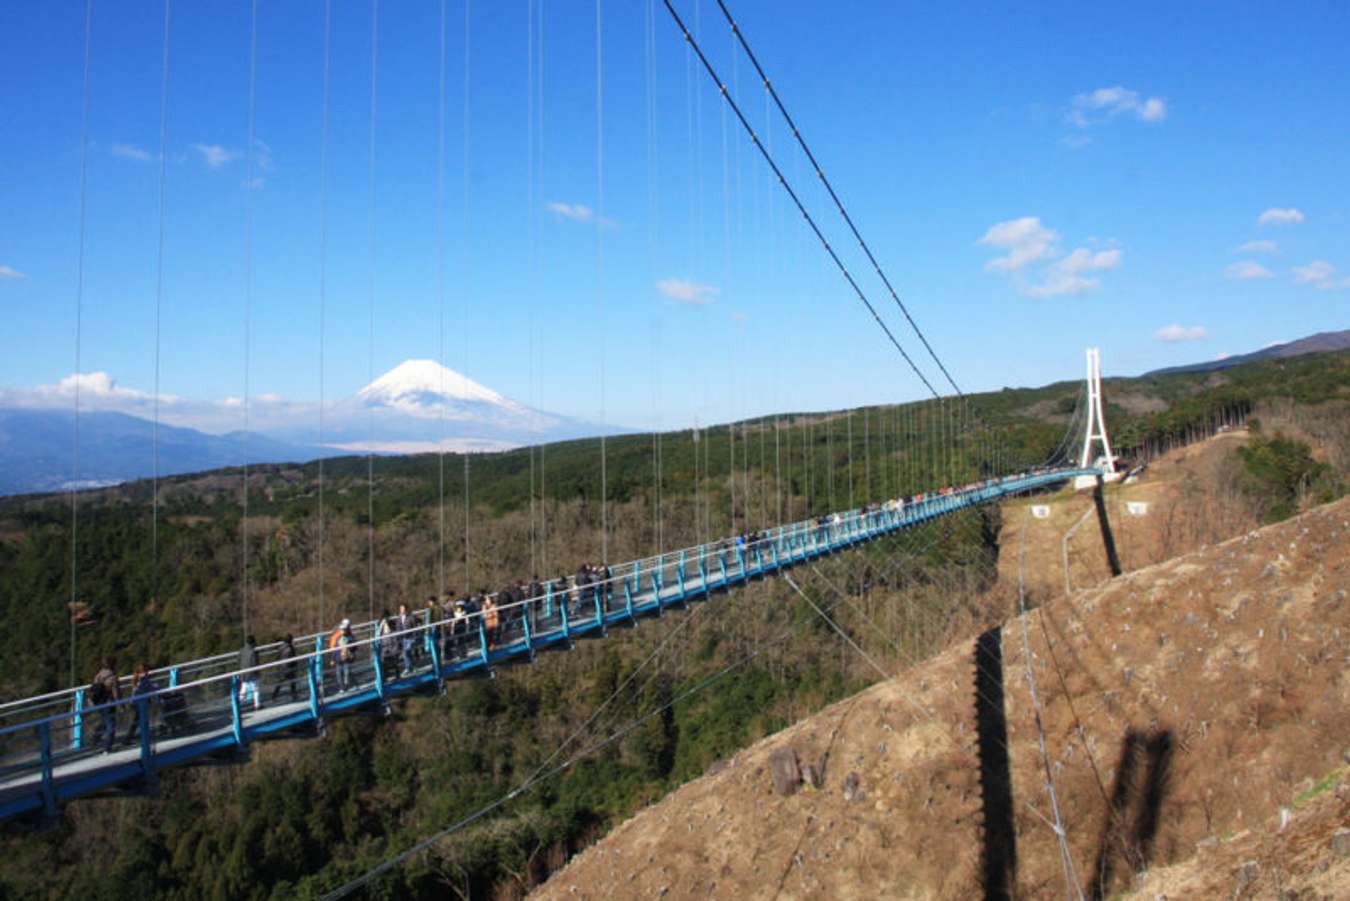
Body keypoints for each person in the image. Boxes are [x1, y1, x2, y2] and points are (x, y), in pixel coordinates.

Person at [89, 658, 120, 753]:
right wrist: (120, 704)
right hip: (109, 704)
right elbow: (116, 693)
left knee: (104, 721)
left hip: (99, 704)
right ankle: (108, 747)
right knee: (111, 724)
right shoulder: (113, 677)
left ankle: (95, 739)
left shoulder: (98, 675)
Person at [123, 663, 158, 745]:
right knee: (141, 720)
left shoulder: (136, 678)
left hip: (134, 702)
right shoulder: (144, 679)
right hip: (141, 703)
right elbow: (151, 688)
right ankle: (132, 738)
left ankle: (129, 738)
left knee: (136, 721)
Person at [270, 634, 299, 703]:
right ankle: (294, 695)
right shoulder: (291, 648)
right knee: (292, 681)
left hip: (281, 667)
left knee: (280, 682)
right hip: (288, 668)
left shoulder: (281, 647)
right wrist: (295, 664)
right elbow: (292, 659)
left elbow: (278, 656)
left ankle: (274, 696)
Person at [237, 635, 261, 711]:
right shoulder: (254, 651)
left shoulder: (241, 650)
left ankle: (238, 704)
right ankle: (257, 705)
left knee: (244, 689)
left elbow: (238, 660)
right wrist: (257, 673)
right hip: (252, 674)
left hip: (243, 673)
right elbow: (255, 663)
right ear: (253, 642)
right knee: (256, 689)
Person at [335, 619, 354, 691]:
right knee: (339, 674)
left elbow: (354, 646)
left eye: (344, 629)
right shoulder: (338, 638)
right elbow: (335, 650)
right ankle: (341, 687)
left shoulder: (350, 637)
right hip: (339, 658)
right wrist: (333, 659)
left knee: (347, 672)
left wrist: (350, 648)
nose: (343, 631)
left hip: (346, 658)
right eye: (341, 629)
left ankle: (346, 685)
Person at [396, 604, 414, 676]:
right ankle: (410, 667)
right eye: (400, 609)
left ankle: (408, 668)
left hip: (409, 637)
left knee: (407, 653)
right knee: (406, 653)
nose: (401, 610)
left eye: (403, 608)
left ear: (406, 609)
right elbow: (398, 627)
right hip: (402, 638)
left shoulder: (410, 617)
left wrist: (414, 637)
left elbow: (414, 626)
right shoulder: (399, 617)